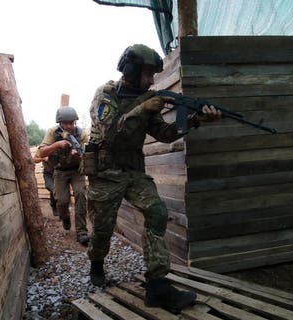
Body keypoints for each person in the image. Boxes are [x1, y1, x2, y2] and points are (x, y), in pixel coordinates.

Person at [82, 44, 221, 313]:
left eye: (154, 76)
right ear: (131, 70)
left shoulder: (148, 98)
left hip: (133, 171)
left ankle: (157, 285)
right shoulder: (106, 95)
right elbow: (110, 134)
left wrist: (193, 120)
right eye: (147, 74)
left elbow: (165, 134)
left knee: (157, 212)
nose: (151, 81)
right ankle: (96, 263)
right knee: (102, 229)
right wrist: (142, 109)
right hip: (105, 172)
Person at [37, 106, 90, 245]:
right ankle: (65, 217)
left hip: (76, 171)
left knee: (80, 195)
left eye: (71, 123)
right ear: (59, 123)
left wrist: (78, 156)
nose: (68, 126)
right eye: (65, 123)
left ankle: (82, 232)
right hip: (60, 171)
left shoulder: (81, 134)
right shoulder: (52, 133)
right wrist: (58, 144)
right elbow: (41, 153)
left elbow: (87, 156)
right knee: (61, 201)